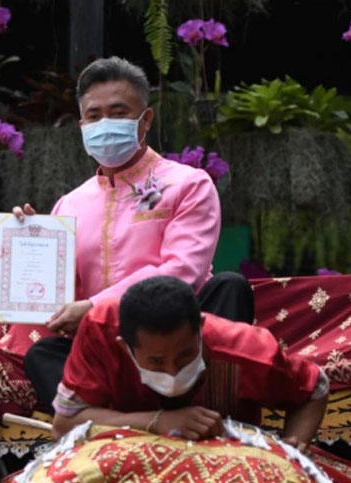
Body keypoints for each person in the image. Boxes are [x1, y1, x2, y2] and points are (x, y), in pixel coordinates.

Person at [16, 56, 253, 407]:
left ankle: (187, 407)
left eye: (118, 112)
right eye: (94, 116)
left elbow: (182, 273)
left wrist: (95, 307)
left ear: (146, 120)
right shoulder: (68, 205)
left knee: (229, 287)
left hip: (177, 341)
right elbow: (57, 299)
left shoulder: (189, 184)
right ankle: (130, 418)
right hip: (107, 350)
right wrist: (28, 242)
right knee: (43, 354)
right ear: (81, 124)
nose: (105, 123)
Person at [51, 276, 328, 447]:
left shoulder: (247, 349)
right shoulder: (101, 330)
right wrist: (157, 421)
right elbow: (64, 424)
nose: (173, 371)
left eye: (185, 355)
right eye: (156, 362)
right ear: (124, 347)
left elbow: (315, 387)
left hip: (228, 470)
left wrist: (294, 449)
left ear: (202, 328)